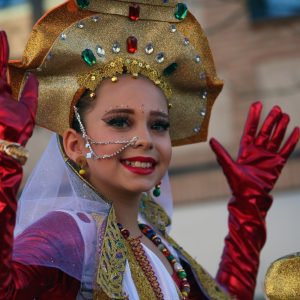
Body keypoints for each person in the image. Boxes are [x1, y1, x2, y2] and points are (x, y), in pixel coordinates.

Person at [0, 1, 299, 299]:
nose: (145, 139)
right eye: (120, 121)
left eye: (158, 125)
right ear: (76, 146)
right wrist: (4, 161)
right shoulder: (68, 236)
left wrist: (248, 210)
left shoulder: (159, 244)